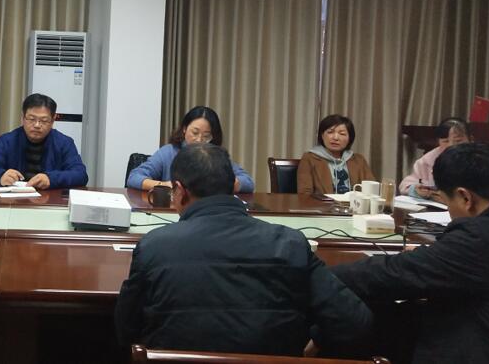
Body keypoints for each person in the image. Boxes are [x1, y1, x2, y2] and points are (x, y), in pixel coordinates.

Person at [115, 143, 372, 355]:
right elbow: (354, 320)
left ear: (180, 191)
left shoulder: (155, 246)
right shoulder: (289, 243)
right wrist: (312, 343)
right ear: (233, 187)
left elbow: (126, 330)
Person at [332, 143, 489, 364]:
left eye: (446, 202)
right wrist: (438, 255)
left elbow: (392, 273)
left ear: (465, 198)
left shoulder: (478, 238)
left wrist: (319, 274)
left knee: (356, 317)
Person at [126, 106, 254, 193]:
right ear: (184, 129)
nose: (199, 140)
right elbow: (134, 177)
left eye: (206, 136)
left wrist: (227, 184)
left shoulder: (215, 156)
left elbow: (248, 182)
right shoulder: (169, 152)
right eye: (195, 132)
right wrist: (165, 186)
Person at [0, 93, 88, 190]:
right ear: (23, 118)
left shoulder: (64, 143)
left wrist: (51, 179)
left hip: (48, 202)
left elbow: (81, 175)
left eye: (44, 120)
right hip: (13, 202)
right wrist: (0, 176)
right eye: (32, 119)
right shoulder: (8, 141)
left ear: (53, 121)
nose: (37, 125)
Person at [297, 114, 375, 195]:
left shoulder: (358, 160)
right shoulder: (310, 158)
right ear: (322, 135)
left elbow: (372, 190)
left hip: (354, 203)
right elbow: (304, 194)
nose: (335, 138)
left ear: (349, 138)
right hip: (323, 203)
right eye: (330, 132)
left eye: (342, 134)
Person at [399, 117, 470, 198]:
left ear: (470, 139)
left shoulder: (478, 159)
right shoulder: (428, 160)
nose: (451, 145)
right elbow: (405, 185)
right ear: (438, 142)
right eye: (445, 141)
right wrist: (416, 190)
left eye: (458, 140)